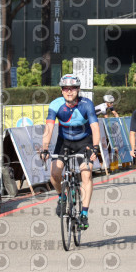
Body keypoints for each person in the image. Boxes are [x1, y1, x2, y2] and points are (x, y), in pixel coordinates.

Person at [41, 74, 100, 230]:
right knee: (55, 173)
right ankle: (62, 196)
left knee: (86, 174)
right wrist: (45, 148)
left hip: (84, 142)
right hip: (64, 142)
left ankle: (84, 214)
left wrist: (95, 147)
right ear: (61, 90)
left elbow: (95, 127)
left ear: (78, 89)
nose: (69, 91)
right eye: (65, 88)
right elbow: (49, 127)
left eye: (72, 88)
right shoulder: (56, 104)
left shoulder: (86, 104)